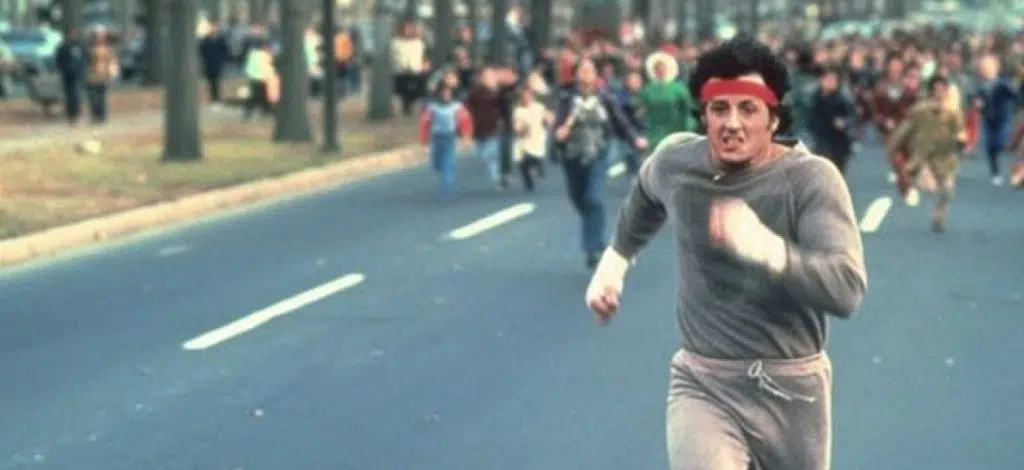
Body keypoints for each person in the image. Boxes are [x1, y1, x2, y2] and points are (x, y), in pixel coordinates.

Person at [584, 37, 867, 470]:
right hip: (704, 380)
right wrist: (614, 264)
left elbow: (846, 289)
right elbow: (645, 196)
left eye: (748, 109)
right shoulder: (678, 162)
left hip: (792, 389)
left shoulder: (811, 180)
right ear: (704, 114)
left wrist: (767, 248)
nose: (732, 124)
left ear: (774, 117)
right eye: (719, 109)